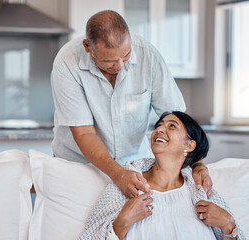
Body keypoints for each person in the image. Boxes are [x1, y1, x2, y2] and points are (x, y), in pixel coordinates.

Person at [50, 10, 212, 199]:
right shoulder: (68, 62)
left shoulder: (148, 56)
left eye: (126, 55)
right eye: (109, 61)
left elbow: (178, 118)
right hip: (79, 166)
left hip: (135, 167)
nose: (119, 65)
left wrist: (197, 163)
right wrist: (117, 174)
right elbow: (84, 132)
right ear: (88, 46)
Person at [80, 111, 246, 240]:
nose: (159, 129)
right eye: (158, 125)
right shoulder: (125, 186)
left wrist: (229, 225)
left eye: (171, 126)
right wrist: (122, 221)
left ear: (189, 145)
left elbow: (231, 231)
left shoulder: (202, 192)